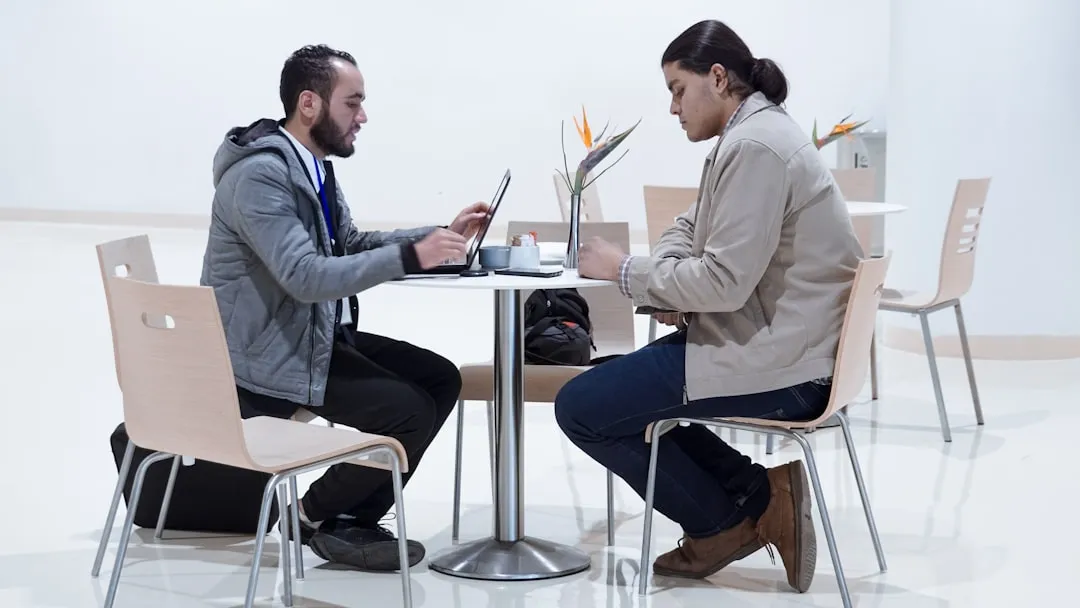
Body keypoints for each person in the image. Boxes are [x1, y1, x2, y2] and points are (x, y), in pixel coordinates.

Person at [556, 20, 863, 593]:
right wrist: (669, 283)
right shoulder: (754, 135)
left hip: (785, 365)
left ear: (717, 78)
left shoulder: (756, 147)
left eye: (677, 89)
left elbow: (721, 282)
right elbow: (688, 227)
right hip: (781, 344)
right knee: (609, 388)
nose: (673, 107)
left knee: (581, 407)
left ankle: (720, 526)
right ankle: (758, 494)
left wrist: (625, 272)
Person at [200, 44, 489, 571]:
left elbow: (348, 242)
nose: (363, 116)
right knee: (407, 410)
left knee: (441, 379)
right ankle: (310, 517)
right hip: (268, 357)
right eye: (352, 103)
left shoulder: (313, 168)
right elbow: (306, 276)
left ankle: (349, 520)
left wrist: (436, 236)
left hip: (309, 337)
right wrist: (409, 257)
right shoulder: (260, 177)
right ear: (309, 104)